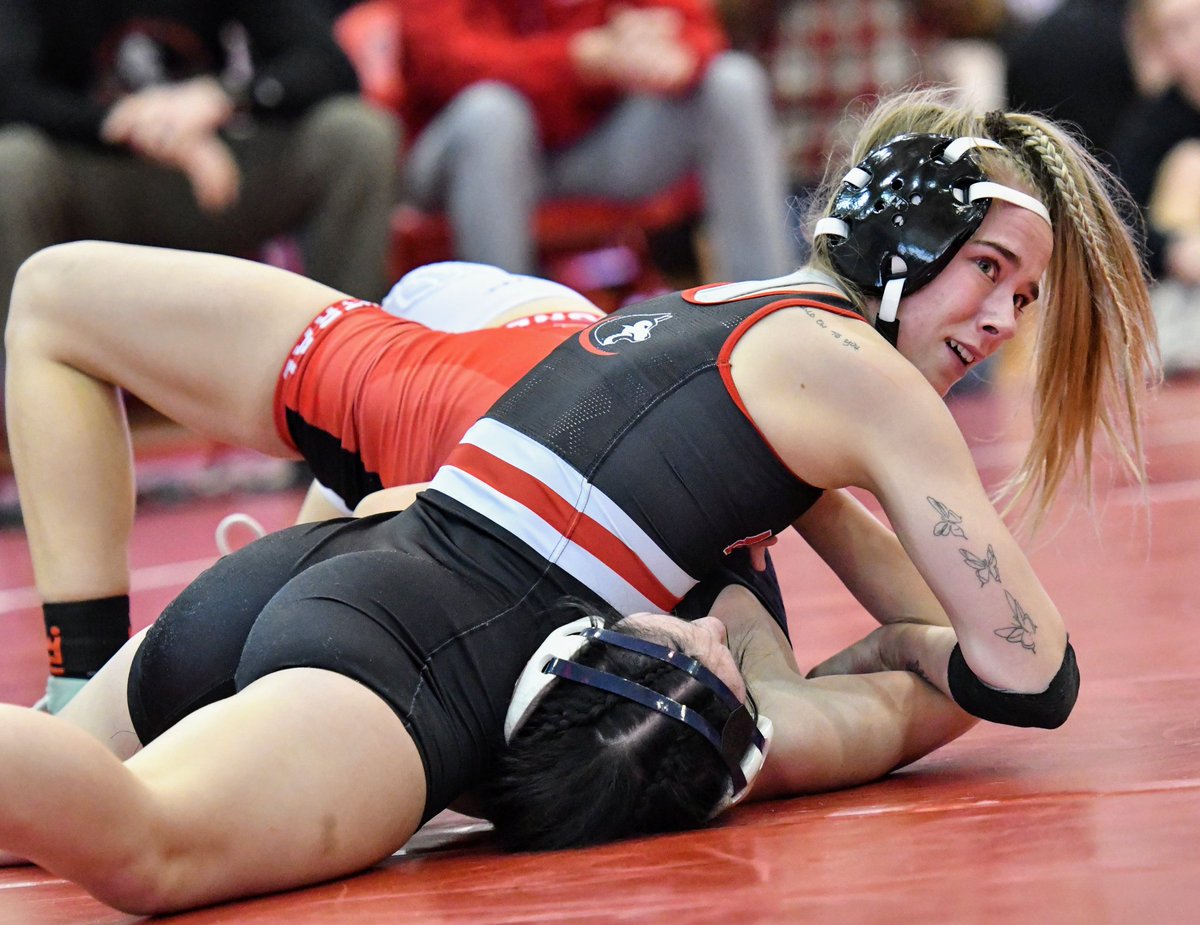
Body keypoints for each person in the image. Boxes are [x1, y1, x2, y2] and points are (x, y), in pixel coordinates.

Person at [1, 86, 1156, 913]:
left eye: (1027, 294)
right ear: (906, 239)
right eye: (990, 271)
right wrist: (920, 664)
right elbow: (1029, 670)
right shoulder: (865, 384)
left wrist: (906, 655)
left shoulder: (719, 306)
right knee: (143, 847)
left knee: (41, 821)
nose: (1005, 321)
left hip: (345, 553)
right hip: (429, 648)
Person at [0, 0, 400, 390]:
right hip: (99, 178)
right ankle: (28, 410)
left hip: (222, 178)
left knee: (357, 136)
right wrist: (119, 123)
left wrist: (226, 97)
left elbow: (327, 65)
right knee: (11, 164)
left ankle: (343, 397)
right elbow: (11, 90)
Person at [397, 0, 798, 280]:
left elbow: (694, 29)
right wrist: (577, 58)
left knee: (732, 80)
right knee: (493, 114)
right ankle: (507, 333)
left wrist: (672, 57)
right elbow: (444, 63)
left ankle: (765, 309)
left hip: (586, 154)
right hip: (462, 161)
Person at [1110, 0, 1200, 374]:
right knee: (1189, 164)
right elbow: (1115, 221)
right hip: (1183, 302)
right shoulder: (1152, 127)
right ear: (1160, 48)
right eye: (1178, 29)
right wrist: (1176, 252)